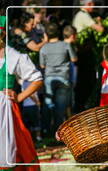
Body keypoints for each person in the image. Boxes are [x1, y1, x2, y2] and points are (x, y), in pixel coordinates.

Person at [0, 15, 41, 170]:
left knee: (6, 153)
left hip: (4, 111)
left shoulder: (13, 56)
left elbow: (37, 79)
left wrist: (20, 96)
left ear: (3, 35)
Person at [39, 22, 77, 135]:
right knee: (60, 107)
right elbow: (74, 59)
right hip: (63, 78)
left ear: (46, 34)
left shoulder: (43, 47)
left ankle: (46, 131)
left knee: (48, 104)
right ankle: (58, 133)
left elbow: (42, 66)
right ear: (59, 33)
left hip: (49, 78)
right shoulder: (65, 45)